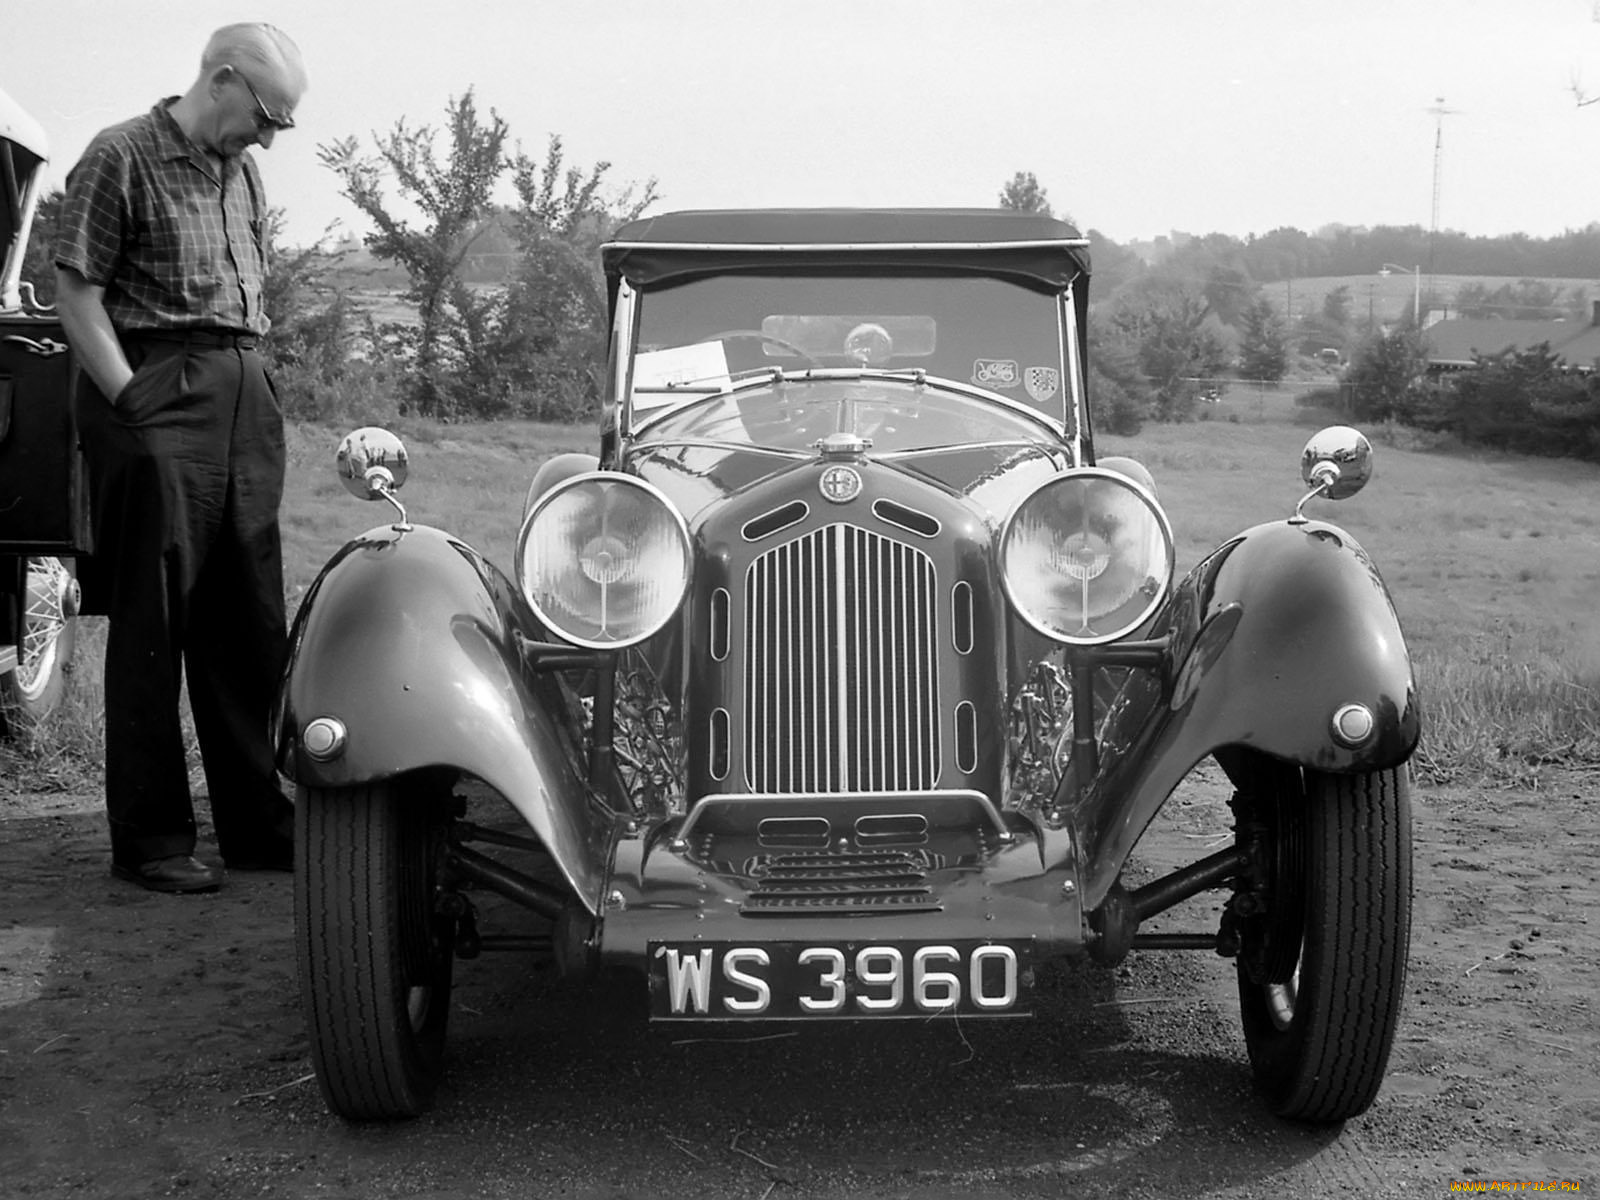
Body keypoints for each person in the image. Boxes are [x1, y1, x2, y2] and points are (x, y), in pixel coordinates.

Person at [54, 23, 307, 893]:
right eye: (267, 115)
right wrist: (131, 402)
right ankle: (152, 840)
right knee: (154, 623)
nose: (269, 136)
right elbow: (76, 293)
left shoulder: (243, 173)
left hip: (241, 390)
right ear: (222, 79)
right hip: (157, 386)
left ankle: (258, 825)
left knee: (249, 617)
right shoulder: (120, 154)